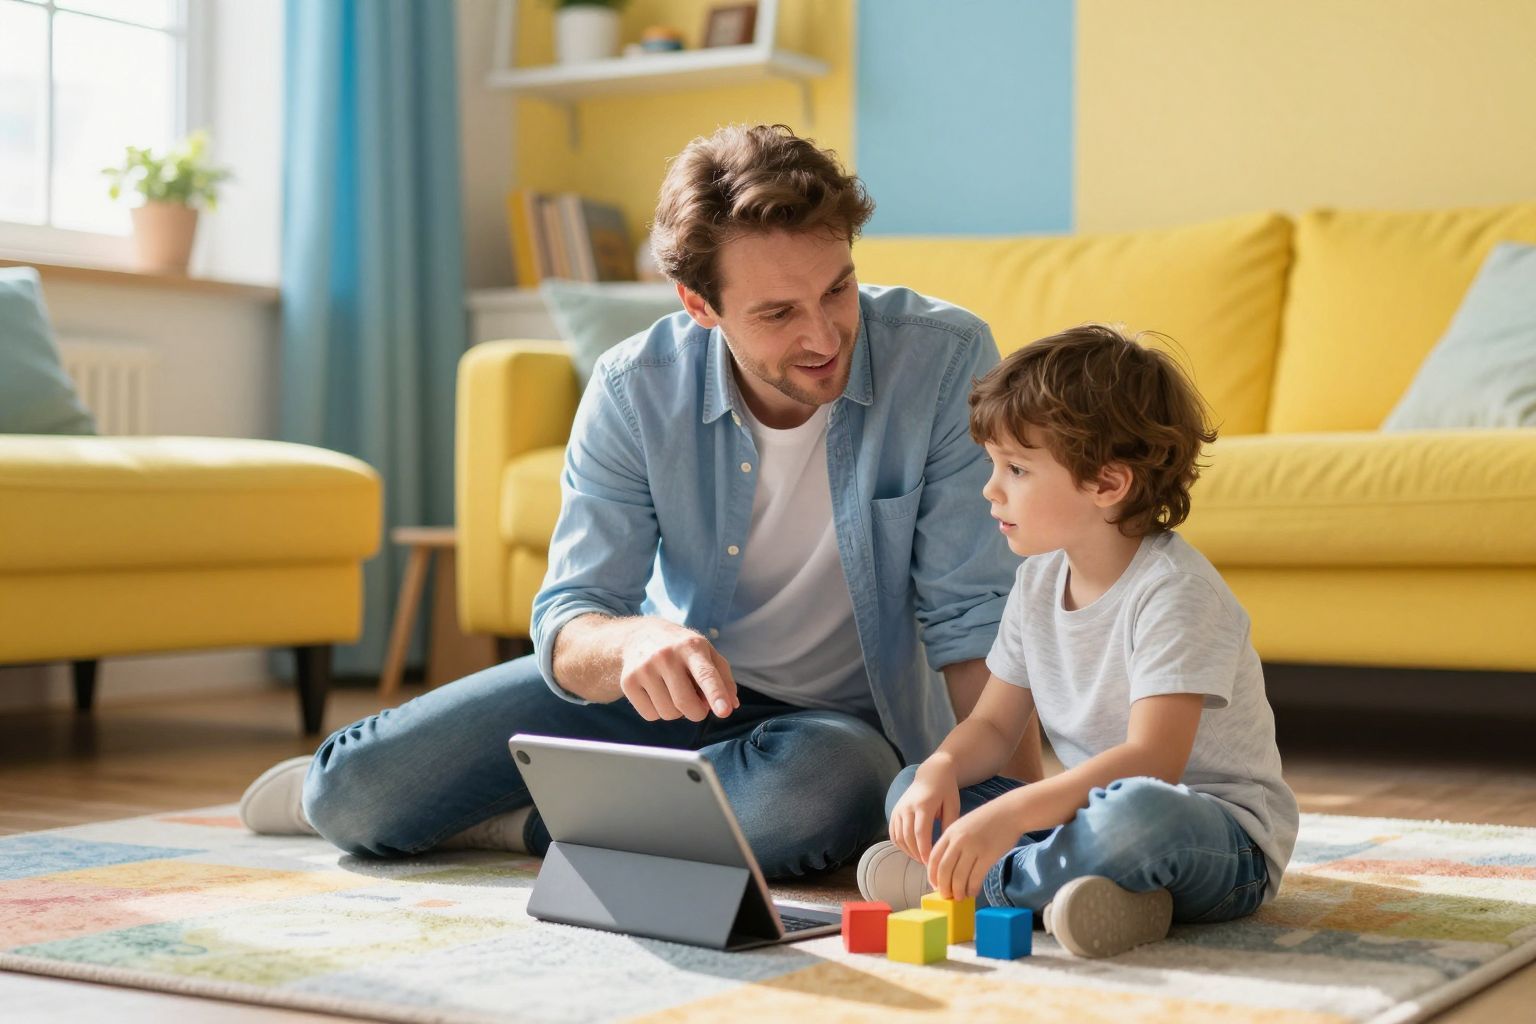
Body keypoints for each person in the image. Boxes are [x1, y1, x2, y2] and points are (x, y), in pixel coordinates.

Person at [238, 124, 1040, 878]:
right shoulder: (632, 387)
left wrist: (1018, 818)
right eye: (777, 314)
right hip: (663, 707)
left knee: (829, 789)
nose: (826, 337)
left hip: (833, 735)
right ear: (700, 307)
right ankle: (641, 814)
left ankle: (521, 826)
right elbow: (572, 613)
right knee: (351, 795)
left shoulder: (942, 359)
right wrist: (632, 646)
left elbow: (974, 625)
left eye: (838, 290)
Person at [855, 324, 1298, 957]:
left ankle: (977, 885)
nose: (991, 488)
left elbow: (1153, 764)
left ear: (1106, 484)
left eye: (1016, 469)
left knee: (1136, 816)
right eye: (993, 465)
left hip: (1211, 837)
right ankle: (1092, 896)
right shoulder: (1037, 583)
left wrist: (1007, 819)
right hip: (1085, 820)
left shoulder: (1175, 593)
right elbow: (991, 727)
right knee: (913, 790)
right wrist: (941, 770)